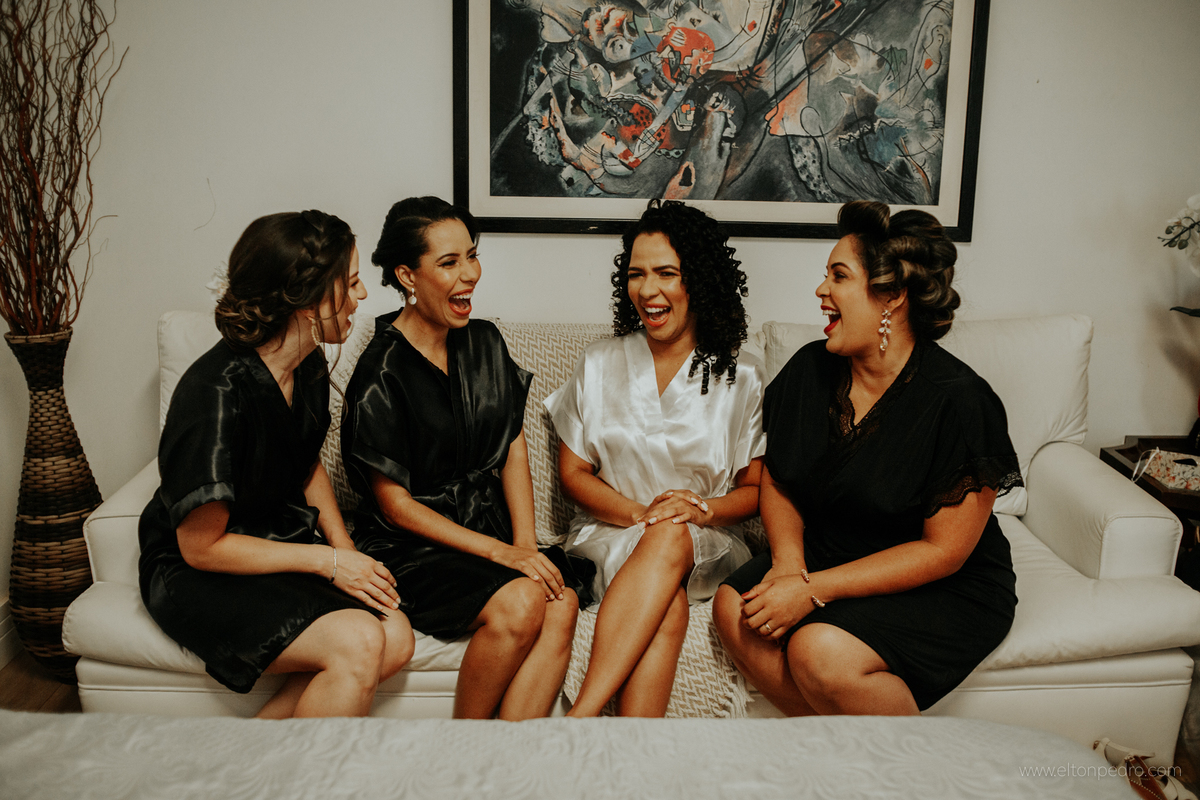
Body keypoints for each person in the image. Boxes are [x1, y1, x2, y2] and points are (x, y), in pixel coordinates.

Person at [713, 200, 1021, 716]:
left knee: (818, 652)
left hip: (942, 581)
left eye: (839, 276)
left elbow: (942, 552)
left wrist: (812, 590)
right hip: (833, 550)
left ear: (892, 297)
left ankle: (907, 762)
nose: (821, 290)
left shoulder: (960, 401)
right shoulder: (810, 370)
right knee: (733, 609)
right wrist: (788, 564)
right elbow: (780, 479)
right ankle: (843, 746)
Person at [139, 211, 415, 719]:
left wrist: (345, 551)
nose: (362, 296)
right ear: (306, 300)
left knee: (395, 637)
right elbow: (201, 547)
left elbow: (306, 464)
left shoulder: (307, 364)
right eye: (351, 283)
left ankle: (253, 755)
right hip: (197, 569)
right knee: (358, 640)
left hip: (275, 541)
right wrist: (329, 564)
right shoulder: (213, 393)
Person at [341, 196, 593, 720]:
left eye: (472, 256)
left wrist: (525, 546)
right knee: (522, 601)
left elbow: (512, 448)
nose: (470, 275)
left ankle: (508, 757)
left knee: (561, 600)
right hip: (412, 545)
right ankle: (464, 745)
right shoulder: (381, 372)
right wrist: (503, 556)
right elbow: (396, 507)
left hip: (486, 526)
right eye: (449, 262)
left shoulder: (484, 341)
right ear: (407, 276)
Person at [545, 199, 766, 717]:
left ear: (699, 280)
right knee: (666, 603)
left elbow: (754, 493)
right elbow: (573, 474)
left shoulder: (744, 375)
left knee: (669, 537)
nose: (647, 290)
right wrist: (641, 515)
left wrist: (698, 511)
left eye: (666, 273)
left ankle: (579, 720)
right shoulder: (599, 362)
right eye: (636, 274)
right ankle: (629, 750)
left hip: (706, 543)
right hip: (608, 536)